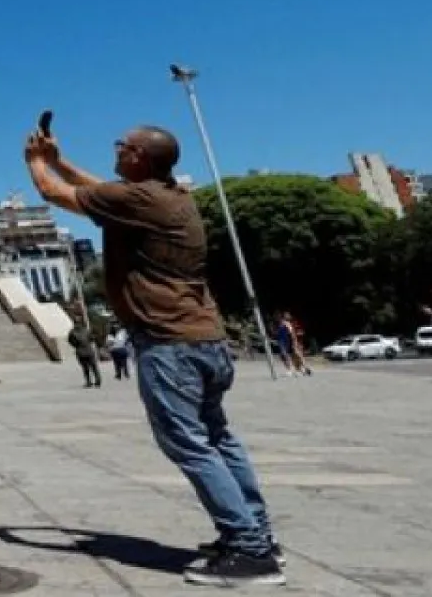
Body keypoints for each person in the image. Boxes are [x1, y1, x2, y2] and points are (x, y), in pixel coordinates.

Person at [26, 123, 284, 587]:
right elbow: (98, 189)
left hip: (170, 343)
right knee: (217, 438)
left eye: (122, 146)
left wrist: (37, 161)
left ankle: (250, 551)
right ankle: (258, 534)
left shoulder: (137, 200)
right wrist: (60, 159)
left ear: (140, 157)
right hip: (205, 337)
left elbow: (54, 193)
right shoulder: (170, 196)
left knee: (189, 444)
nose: (116, 150)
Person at [68, 322, 102, 388]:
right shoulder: (86, 331)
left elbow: (70, 341)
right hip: (89, 351)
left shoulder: (72, 332)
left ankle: (89, 382)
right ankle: (98, 381)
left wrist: (76, 346)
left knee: (85, 368)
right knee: (94, 367)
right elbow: (92, 339)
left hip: (80, 352)